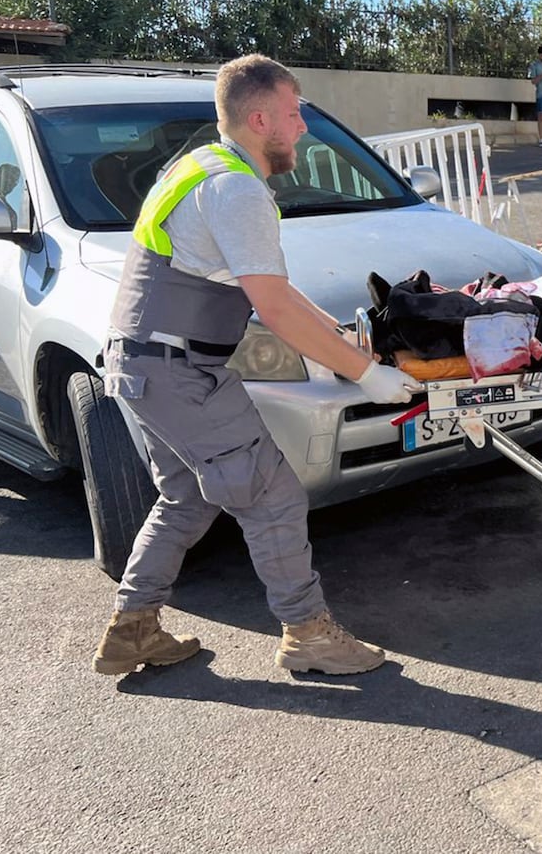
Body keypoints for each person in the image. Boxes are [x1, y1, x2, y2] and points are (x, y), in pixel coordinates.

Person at [91, 54, 423, 678]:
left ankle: (132, 627)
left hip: (144, 365)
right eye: (295, 115)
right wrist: (366, 375)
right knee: (271, 494)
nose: (303, 128)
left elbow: (275, 289)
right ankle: (307, 632)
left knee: (186, 495)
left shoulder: (199, 167)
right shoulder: (237, 188)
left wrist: (348, 341)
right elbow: (270, 307)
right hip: (179, 371)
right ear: (261, 117)